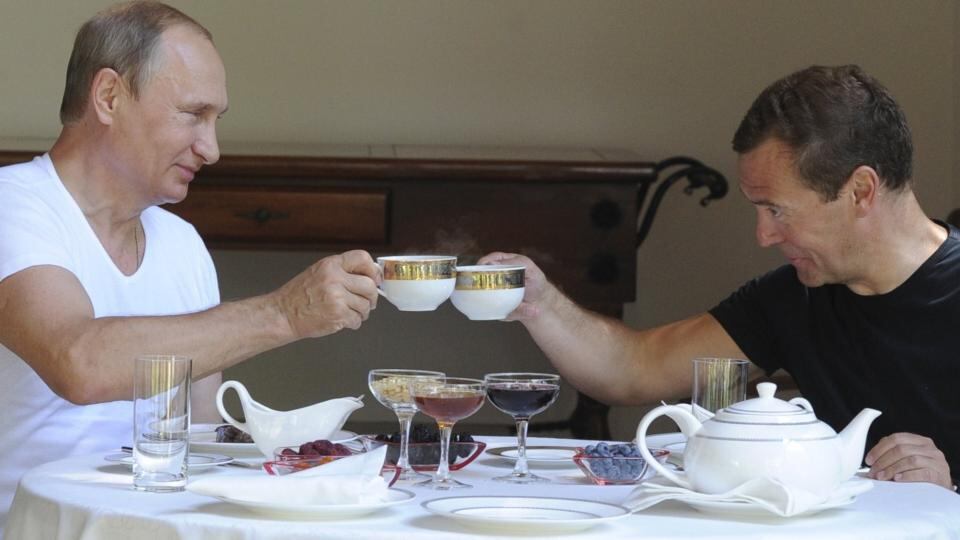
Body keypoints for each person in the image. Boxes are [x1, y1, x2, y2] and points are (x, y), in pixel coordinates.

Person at [481, 64, 959, 492]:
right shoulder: (793, 297)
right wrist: (538, 301)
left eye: (777, 210)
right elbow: (634, 367)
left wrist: (949, 491)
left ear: (860, 190)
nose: (764, 236)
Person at [0, 1, 380, 526]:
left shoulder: (182, 244)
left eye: (215, 120)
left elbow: (203, 440)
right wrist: (285, 314)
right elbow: (78, 362)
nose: (212, 148)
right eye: (192, 114)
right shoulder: (12, 205)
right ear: (109, 97)